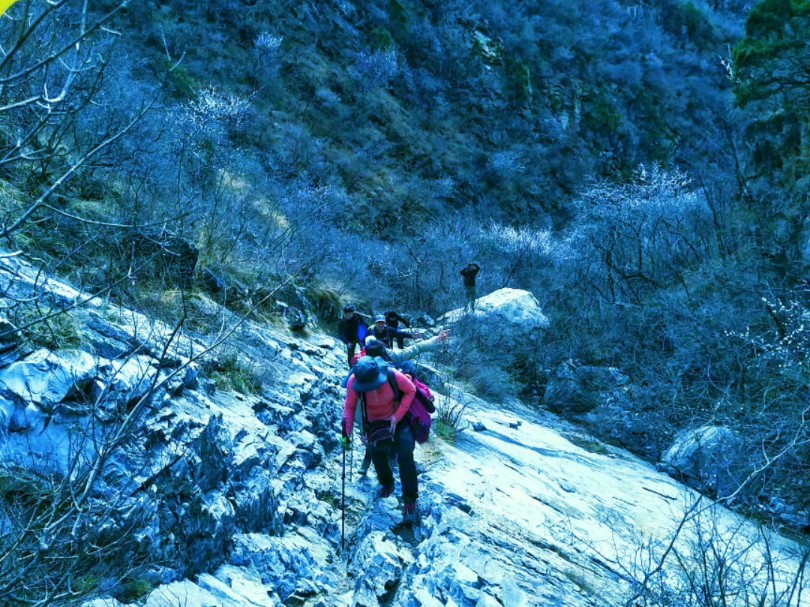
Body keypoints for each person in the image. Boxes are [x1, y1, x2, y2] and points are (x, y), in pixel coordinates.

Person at [341, 356, 420, 524]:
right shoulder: (354, 382)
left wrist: (396, 416)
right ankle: (387, 483)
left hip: (397, 418)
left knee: (405, 453)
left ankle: (410, 500)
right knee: (377, 454)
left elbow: (411, 390)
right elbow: (349, 408)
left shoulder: (392, 375)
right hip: (374, 423)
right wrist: (346, 437)